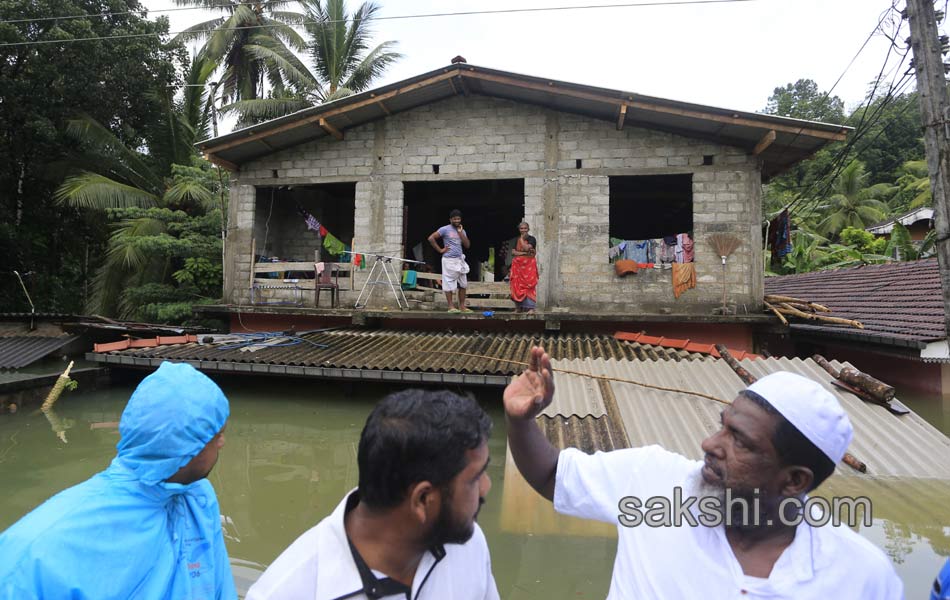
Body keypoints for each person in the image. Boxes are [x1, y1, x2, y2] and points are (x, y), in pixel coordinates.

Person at [503, 347, 903, 599]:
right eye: (722, 425)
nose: (711, 445)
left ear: (794, 480)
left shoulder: (860, 576)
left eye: (740, 441)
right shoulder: (652, 482)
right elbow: (553, 475)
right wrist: (519, 422)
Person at [0, 362, 235, 600]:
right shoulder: (38, 552)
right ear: (186, 446)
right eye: (217, 434)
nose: (222, 443)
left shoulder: (198, 498)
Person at [246, 389, 499, 600]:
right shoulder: (289, 591)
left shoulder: (467, 543)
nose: (486, 487)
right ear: (423, 500)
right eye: (476, 478)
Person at [428, 209, 472, 313]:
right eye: (454, 219)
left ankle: (462, 306)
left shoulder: (462, 230)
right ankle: (451, 307)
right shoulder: (445, 229)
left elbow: (467, 245)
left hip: (460, 260)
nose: (457, 220)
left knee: (463, 284)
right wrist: (440, 250)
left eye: (458, 218)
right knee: (448, 283)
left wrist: (461, 233)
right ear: (450, 219)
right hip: (448, 260)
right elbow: (431, 238)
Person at [509, 222, 538, 313]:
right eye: (521, 228)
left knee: (529, 286)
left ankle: (530, 308)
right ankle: (518, 307)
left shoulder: (532, 239)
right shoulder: (516, 240)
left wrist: (522, 239)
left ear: (528, 229)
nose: (523, 230)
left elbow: (526, 248)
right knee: (517, 286)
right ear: (519, 229)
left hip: (528, 266)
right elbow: (513, 253)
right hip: (518, 266)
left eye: (525, 228)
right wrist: (525, 254)